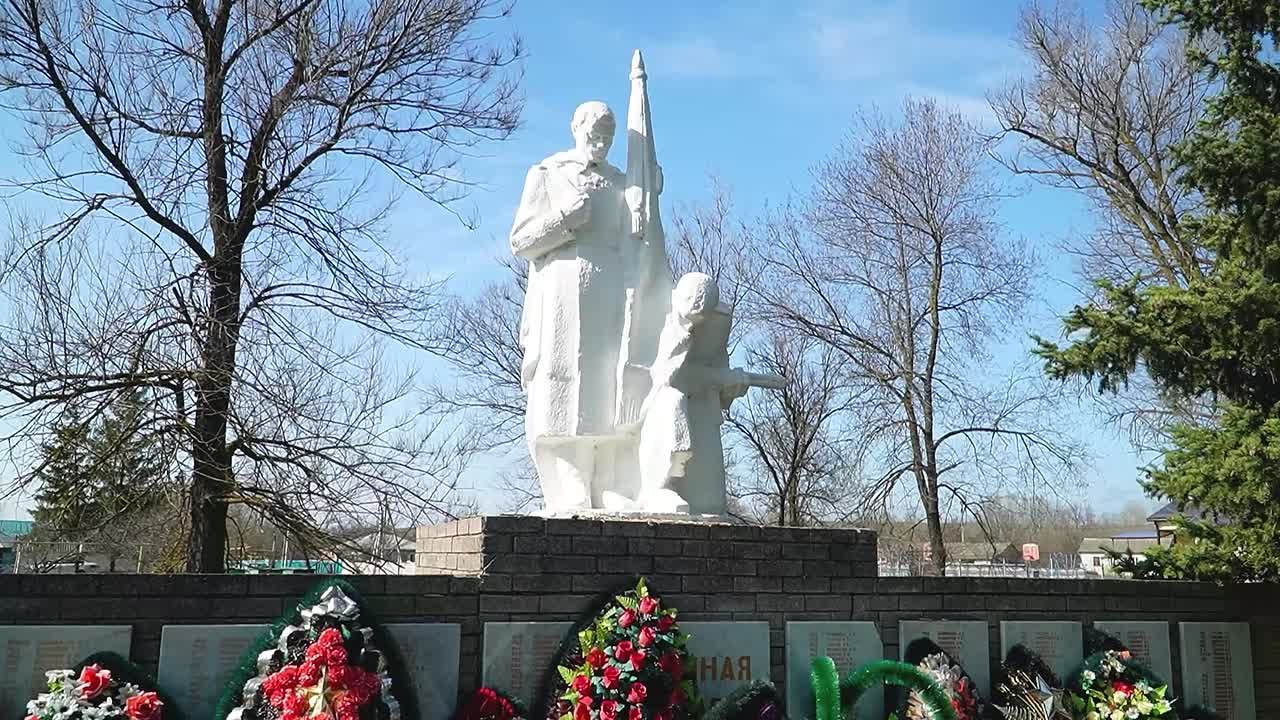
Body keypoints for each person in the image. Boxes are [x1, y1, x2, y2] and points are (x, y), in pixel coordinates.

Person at [509, 101, 631, 513]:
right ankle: (569, 483)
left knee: (608, 388)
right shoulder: (549, 173)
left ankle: (609, 480)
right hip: (562, 296)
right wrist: (564, 218)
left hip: (612, 293)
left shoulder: (621, 182)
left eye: (608, 137)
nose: (601, 144)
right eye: (594, 135)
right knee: (563, 390)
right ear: (576, 128)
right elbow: (521, 241)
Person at [636, 273, 750, 515]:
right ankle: (660, 487)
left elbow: (720, 374)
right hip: (664, 406)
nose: (693, 323)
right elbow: (660, 377)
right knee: (672, 403)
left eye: (700, 317)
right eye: (689, 315)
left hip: (701, 410)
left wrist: (731, 385)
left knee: (710, 505)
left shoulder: (719, 321)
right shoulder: (650, 312)